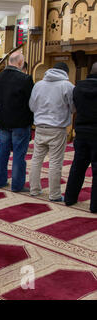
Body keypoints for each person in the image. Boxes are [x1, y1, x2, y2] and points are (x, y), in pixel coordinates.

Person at [29, 63, 75, 202]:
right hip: (57, 129)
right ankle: (54, 195)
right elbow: (73, 108)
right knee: (55, 162)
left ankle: (34, 189)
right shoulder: (67, 86)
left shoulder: (38, 85)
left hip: (40, 127)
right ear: (65, 72)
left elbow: (32, 106)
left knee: (36, 159)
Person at [0, 52, 34, 192]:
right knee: (18, 155)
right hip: (20, 123)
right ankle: (17, 186)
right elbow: (31, 102)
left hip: (3, 122)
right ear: (20, 63)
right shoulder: (25, 79)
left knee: (2, 152)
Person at [65, 63, 97, 213]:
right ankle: (95, 206)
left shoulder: (78, 87)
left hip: (81, 131)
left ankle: (70, 198)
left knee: (77, 166)